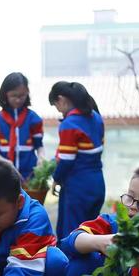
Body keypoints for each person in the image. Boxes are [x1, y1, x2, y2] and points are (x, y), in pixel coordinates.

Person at [49, 81, 105, 239]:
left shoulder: (69, 124)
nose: (58, 110)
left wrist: (56, 179)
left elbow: (67, 160)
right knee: (91, 232)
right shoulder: (96, 118)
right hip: (97, 183)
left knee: (72, 236)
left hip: (77, 187)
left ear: (61, 99)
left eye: (56, 105)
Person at [0, 72, 44, 183]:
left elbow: (39, 146)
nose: (18, 99)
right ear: (5, 94)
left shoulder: (34, 119)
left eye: (22, 95)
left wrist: (41, 159)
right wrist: (4, 162)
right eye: (13, 95)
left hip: (30, 175)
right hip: (5, 174)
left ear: (27, 93)